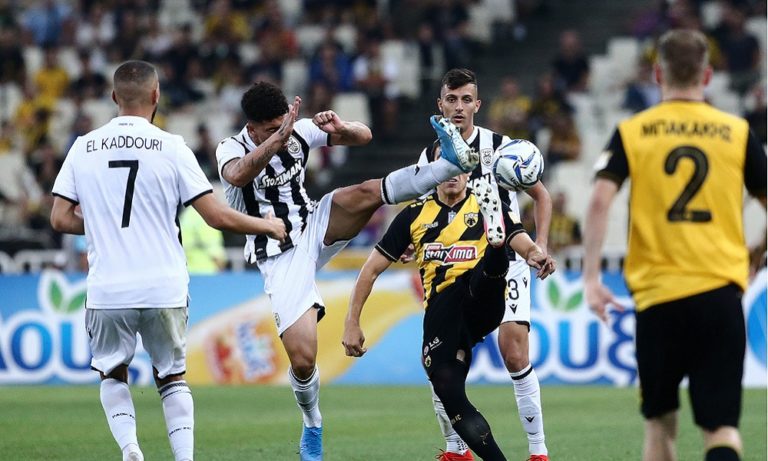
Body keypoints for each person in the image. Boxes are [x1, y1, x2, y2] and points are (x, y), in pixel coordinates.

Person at [216, 80, 481, 460]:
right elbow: (237, 175)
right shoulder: (231, 148)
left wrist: (343, 128)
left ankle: (449, 165)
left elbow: (365, 136)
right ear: (252, 128)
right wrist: (278, 138)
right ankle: (312, 423)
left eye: (283, 125)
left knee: (367, 192)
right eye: (272, 129)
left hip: (315, 224)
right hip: (277, 251)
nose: (282, 134)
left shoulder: (298, 130)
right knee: (303, 359)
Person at [50, 60, 288, 461]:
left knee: (112, 372)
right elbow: (215, 216)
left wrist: (106, 223)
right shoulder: (172, 146)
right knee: (172, 377)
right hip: (164, 286)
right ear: (156, 94)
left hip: (108, 288)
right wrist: (267, 225)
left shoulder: (83, 147)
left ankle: (130, 448)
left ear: (114, 97)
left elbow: (59, 218)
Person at [584, 30, 767, 461]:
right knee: (721, 429)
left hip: (658, 297)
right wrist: (758, 252)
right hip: (719, 293)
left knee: (660, 425)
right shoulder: (737, 132)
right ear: (707, 75)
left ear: (657, 73)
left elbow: (598, 201)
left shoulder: (633, 131)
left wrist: (591, 278)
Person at [342, 171, 555, 461]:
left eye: (459, 169)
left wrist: (533, 253)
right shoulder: (413, 215)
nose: (452, 175)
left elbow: (519, 237)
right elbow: (370, 270)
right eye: (447, 168)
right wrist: (351, 322)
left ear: (468, 173)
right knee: (447, 389)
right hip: (443, 315)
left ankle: (495, 247)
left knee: (483, 276)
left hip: (479, 297)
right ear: (435, 171)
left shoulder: (483, 202)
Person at [415, 68, 553, 461]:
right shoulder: (430, 154)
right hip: (455, 267)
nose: (458, 107)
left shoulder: (502, 148)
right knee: (439, 358)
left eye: (465, 100)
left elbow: (542, 196)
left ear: (478, 104)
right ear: (440, 105)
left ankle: (538, 452)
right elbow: (423, 206)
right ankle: (456, 450)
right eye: (451, 100)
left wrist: (539, 246)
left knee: (515, 353)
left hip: (505, 259)